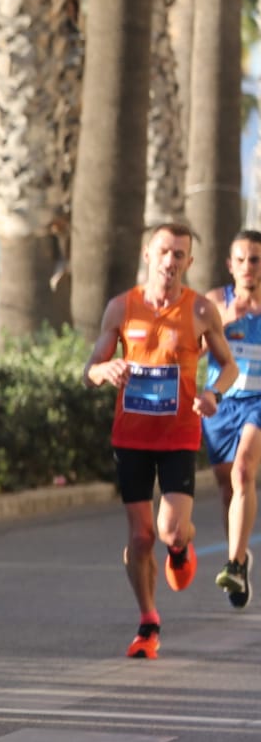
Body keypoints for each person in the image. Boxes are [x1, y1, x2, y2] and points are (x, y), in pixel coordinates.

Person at [84, 223, 234, 659]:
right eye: (164, 252)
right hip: (130, 435)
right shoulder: (120, 308)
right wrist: (105, 371)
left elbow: (227, 367)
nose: (171, 262)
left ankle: (182, 548)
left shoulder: (201, 311)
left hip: (178, 435)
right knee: (141, 535)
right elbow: (90, 369)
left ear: (189, 262)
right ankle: (148, 622)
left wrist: (212, 394)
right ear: (148, 254)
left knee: (168, 529)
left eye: (180, 255)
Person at [206, 231, 261, 608]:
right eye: (240, 260)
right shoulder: (214, 302)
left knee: (243, 472)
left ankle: (233, 565)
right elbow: (188, 344)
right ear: (230, 265)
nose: (247, 267)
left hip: (257, 402)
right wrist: (223, 321)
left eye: (255, 260)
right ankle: (240, 558)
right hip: (220, 404)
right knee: (228, 490)